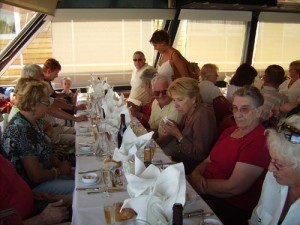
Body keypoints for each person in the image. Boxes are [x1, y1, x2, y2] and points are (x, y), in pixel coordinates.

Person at [188, 86, 270, 225]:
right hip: (204, 190)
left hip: (229, 206)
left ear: (258, 111)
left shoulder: (259, 141)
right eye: (235, 108)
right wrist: (195, 175)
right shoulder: (230, 131)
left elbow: (234, 187)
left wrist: (196, 184)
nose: (237, 114)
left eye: (244, 109)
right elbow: (208, 160)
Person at [2, 78, 74, 195]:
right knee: (81, 189)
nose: (48, 107)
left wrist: (61, 166)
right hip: (32, 188)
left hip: (48, 174)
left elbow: (46, 152)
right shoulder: (22, 130)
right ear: (33, 104)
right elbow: (36, 176)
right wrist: (60, 171)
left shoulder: (31, 121)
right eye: (46, 103)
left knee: (84, 179)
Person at [249, 115, 300, 225]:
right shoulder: (274, 178)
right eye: (271, 159)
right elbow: (257, 216)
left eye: (279, 164)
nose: (270, 168)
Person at [164, 77, 218, 174]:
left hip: (194, 170)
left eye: (180, 100)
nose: (176, 105)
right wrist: (174, 126)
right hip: (182, 161)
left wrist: (177, 134)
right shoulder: (188, 112)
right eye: (173, 100)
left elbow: (199, 155)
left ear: (193, 99)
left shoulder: (203, 116)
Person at [0, 154, 71, 225]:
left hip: (35, 204)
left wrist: (30, 192)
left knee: (77, 200)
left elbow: (11, 181)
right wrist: (42, 219)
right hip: (30, 220)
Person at [148, 75, 181, 153]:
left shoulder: (176, 106)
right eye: (156, 93)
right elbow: (153, 128)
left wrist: (149, 148)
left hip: (171, 150)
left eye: (164, 92)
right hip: (158, 145)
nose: (160, 96)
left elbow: (168, 138)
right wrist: (147, 140)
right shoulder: (155, 102)